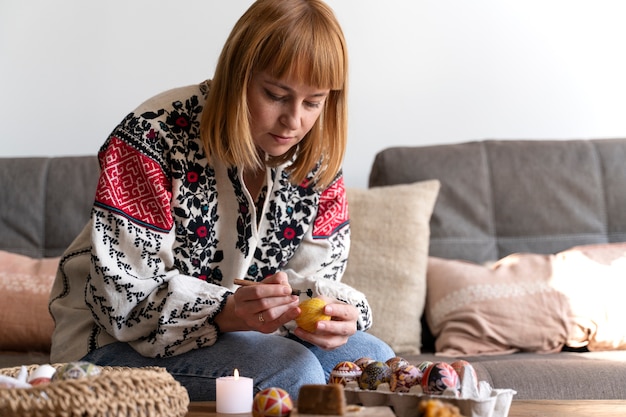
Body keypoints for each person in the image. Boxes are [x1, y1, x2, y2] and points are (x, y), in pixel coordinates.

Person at [49, 0, 394, 401]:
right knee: (289, 370)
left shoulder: (315, 160)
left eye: (313, 102)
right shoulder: (149, 138)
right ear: (237, 76)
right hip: (111, 346)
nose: (294, 120)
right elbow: (124, 304)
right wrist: (229, 311)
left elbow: (316, 283)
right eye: (276, 95)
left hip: (252, 338)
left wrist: (335, 315)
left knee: (375, 362)